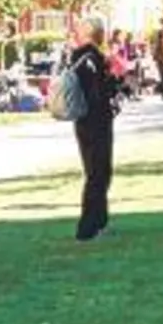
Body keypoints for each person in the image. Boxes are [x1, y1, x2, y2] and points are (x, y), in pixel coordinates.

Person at [68, 21, 119, 242]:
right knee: (97, 172)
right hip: (95, 120)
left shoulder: (88, 58)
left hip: (87, 120)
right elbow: (96, 91)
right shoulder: (89, 59)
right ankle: (88, 227)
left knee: (99, 171)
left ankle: (99, 220)